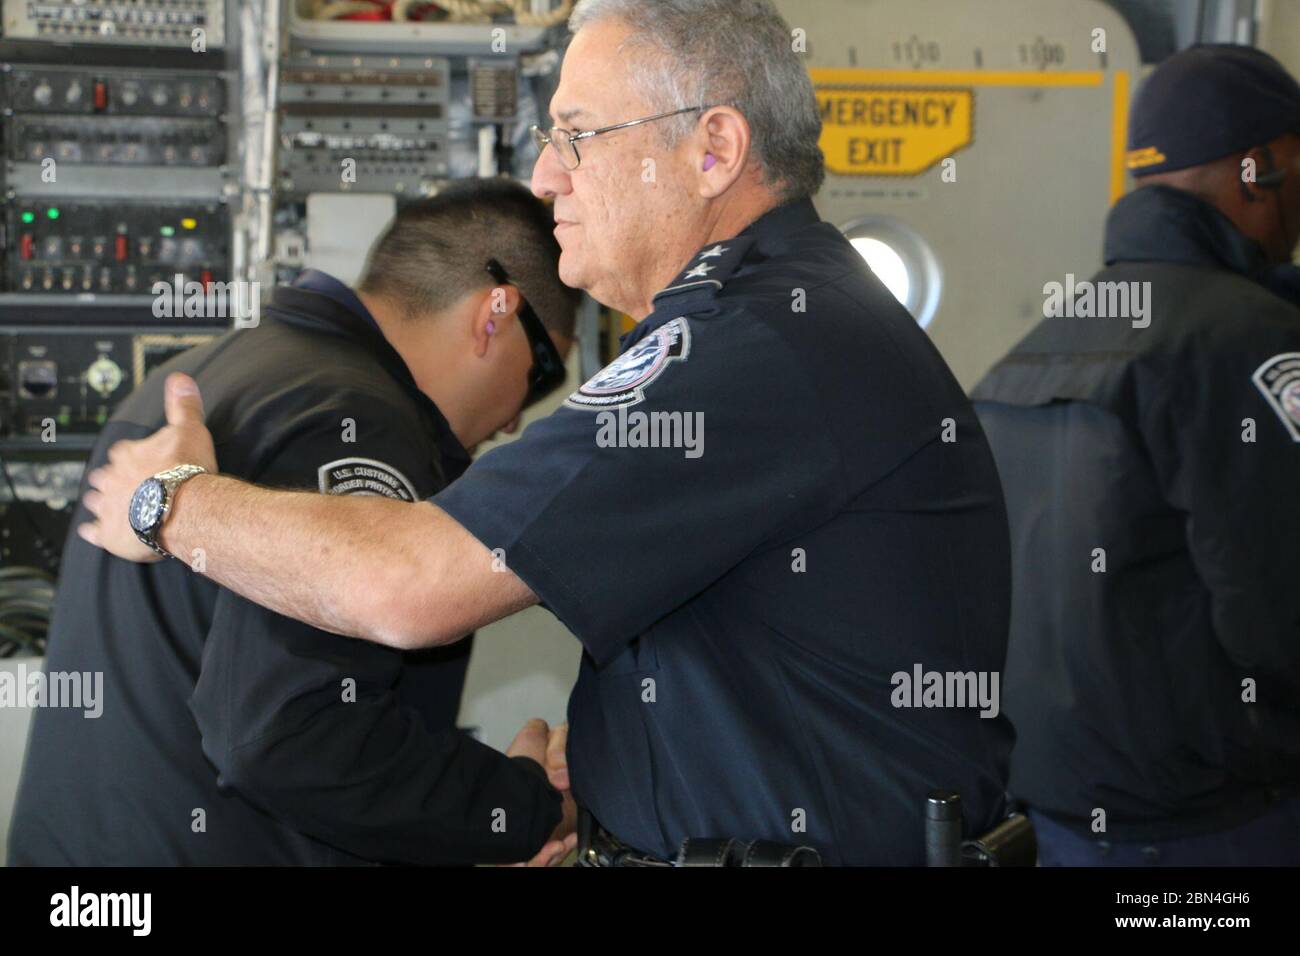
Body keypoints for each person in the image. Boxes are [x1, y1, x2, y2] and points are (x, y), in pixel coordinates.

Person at [78, 0, 1014, 865]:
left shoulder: (757, 343)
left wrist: (170, 503)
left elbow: (408, 584)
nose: (545, 174)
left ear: (713, 149)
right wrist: (618, 756)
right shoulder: (780, 323)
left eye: (578, 136)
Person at [8, 178, 581, 866]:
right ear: (494, 314)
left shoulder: (205, 374)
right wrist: (519, 806)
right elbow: (293, 735)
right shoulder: (361, 423)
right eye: (542, 372)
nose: (518, 417)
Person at [972, 44, 1300, 865]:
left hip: (1059, 822)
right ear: (1258, 169)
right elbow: (1281, 608)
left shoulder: (1029, 353)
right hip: (1222, 828)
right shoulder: (1248, 340)